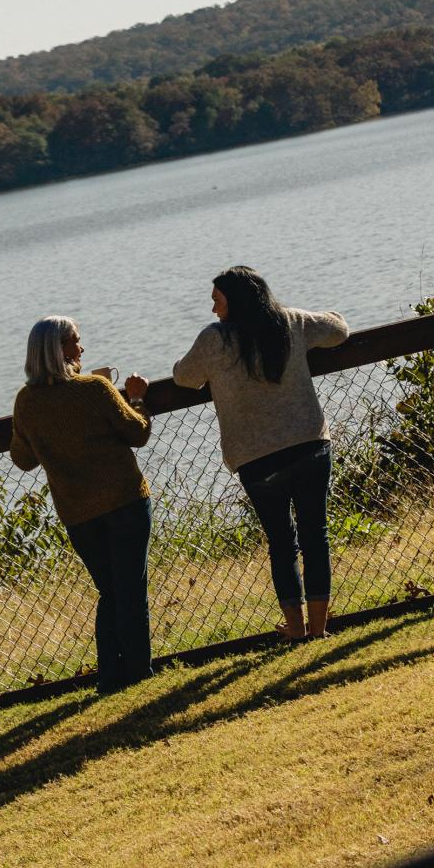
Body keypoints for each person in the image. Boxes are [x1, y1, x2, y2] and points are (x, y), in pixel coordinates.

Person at [173, 266, 348, 640]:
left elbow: (183, 377)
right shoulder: (290, 322)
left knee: (281, 543)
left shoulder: (214, 340)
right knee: (316, 535)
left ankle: (297, 630)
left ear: (234, 302)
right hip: (309, 445)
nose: (213, 309)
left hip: (256, 459)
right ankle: (319, 629)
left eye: (217, 301)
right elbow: (339, 330)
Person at [10, 316, 154, 696]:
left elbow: (23, 459)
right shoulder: (95, 388)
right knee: (131, 590)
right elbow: (137, 432)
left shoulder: (26, 403)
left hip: (78, 513)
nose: (81, 349)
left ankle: (110, 676)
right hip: (125, 500)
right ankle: (139, 672)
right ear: (59, 350)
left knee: (109, 592)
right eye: (75, 341)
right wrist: (136, 397)